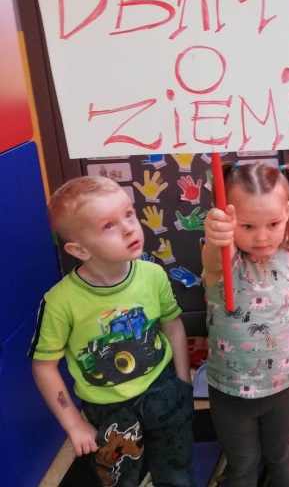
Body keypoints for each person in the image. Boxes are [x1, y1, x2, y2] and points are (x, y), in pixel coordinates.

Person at [29, 176, 194, 487]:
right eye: (108, 226)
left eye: (129, 214)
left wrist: (183, 380)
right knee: (118, 477)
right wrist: (73, 424)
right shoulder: (59, 302)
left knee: (177, 469)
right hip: (109, 410)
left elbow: (172, 325)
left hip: (163, 389)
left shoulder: (153, 274)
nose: (129, 228)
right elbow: (44, 367)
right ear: (79, 249)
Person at [202, 162, 289, 487]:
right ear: (229, 221)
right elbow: (213, 257)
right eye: (247, 226)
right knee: (242, 465)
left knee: (282, 458)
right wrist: (216, 237)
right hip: (230, 388)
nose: (261, 236)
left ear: (288, 212)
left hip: (284, 384)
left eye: (273, 223)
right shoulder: (224, 259)